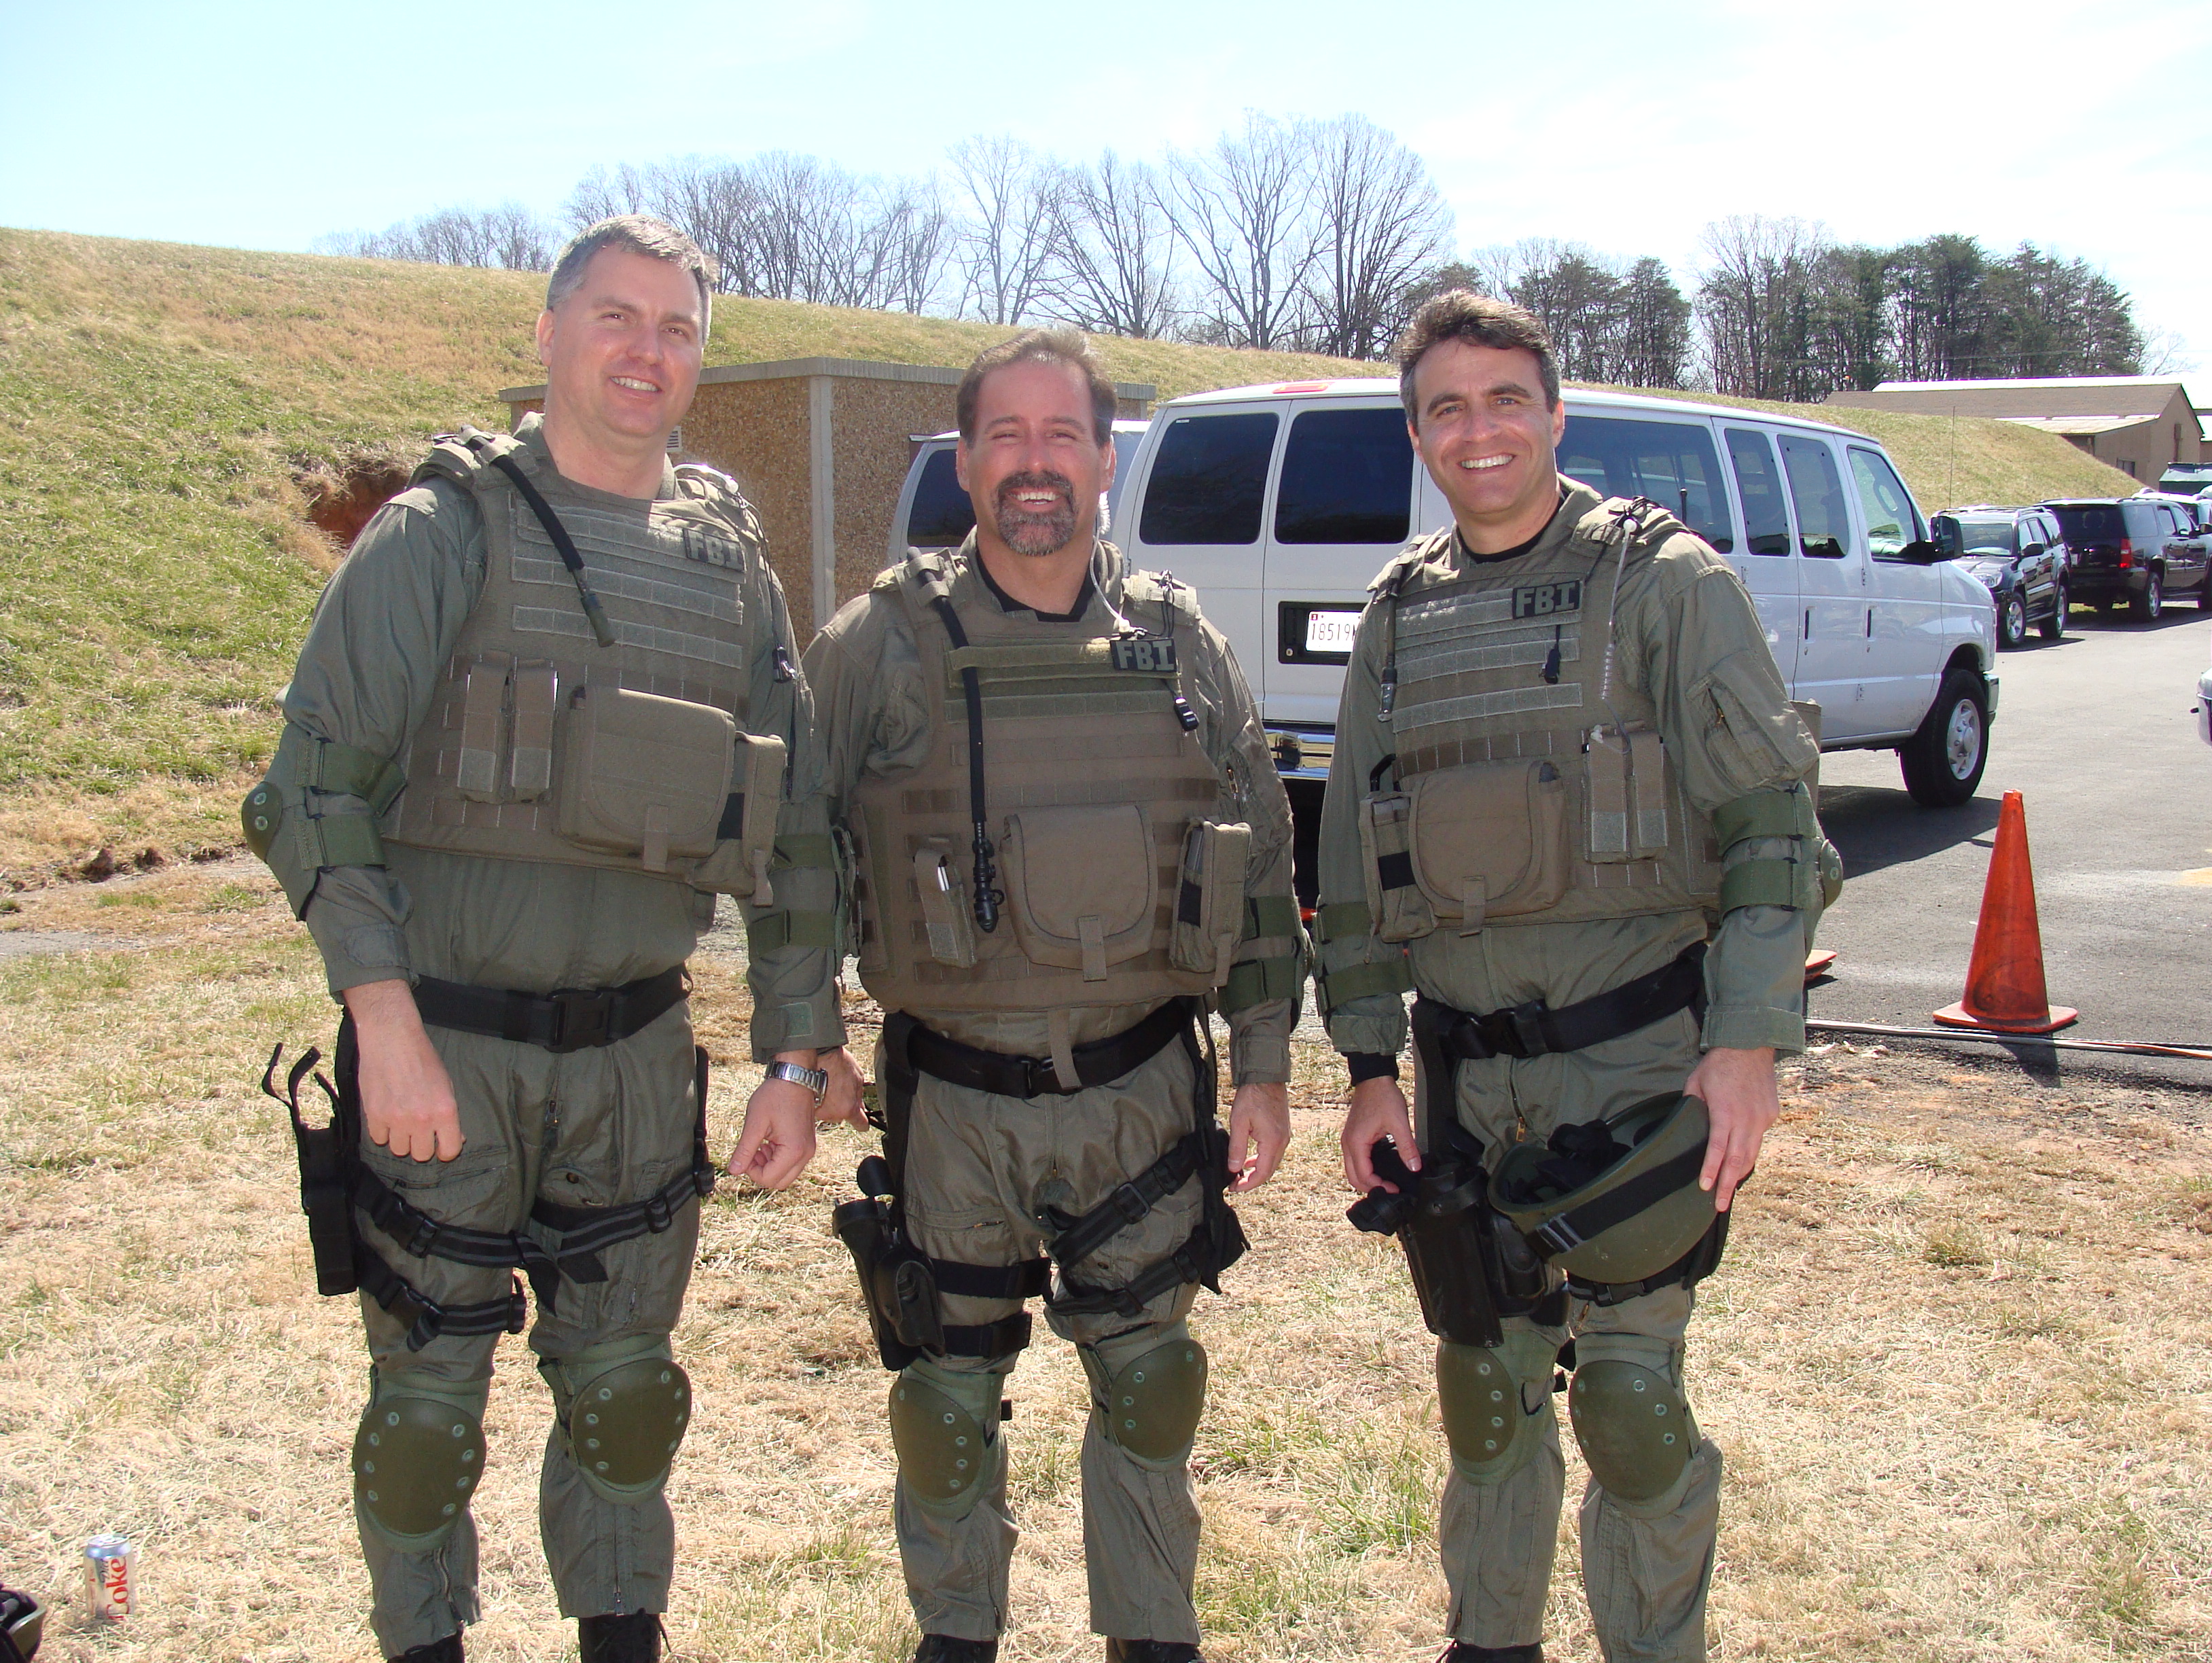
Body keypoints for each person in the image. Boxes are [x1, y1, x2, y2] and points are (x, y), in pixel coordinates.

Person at [244, 216, 847, 1663]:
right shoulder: (443, 534)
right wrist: (382, 1023)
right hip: (440, 1048)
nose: (648, 351)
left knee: (626, 1397)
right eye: (618, 318)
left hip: (636, 1058)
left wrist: (793, 1049)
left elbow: (797, 828)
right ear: (551, 333)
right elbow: (308, 790)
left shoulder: (731, 576)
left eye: (679, 328)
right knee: (424, 1414)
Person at [1313, 293, 1836, 1663]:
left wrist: (1748, 1043)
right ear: (1418, 433)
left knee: (1628, 1403)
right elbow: (1356, 877)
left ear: (1555, 412)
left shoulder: (1665, 584)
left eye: (1502, 401)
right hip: (1464, 1085)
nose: (1476, 432)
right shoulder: (1400, 622)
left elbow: (1774, 825)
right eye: (1445, 408)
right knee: (1486, 1402)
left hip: (1640, 1066)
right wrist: (1369, 1070)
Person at [805, 329, 1304, 1663]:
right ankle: (956, 1641)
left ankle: (1154, 1643)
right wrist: (806, 1035)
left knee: (1149, 1397)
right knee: (946, 1410)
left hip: (1141, 1091)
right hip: (953, 1103)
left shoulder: (1176, 639)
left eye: (1063, 435)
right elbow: (786, 838)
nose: (1036, 463)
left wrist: (1264, 1060)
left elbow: (1255, 846)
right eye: (1007, 437)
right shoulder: (880, 643)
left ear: (1104, 456)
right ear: (968, 463)